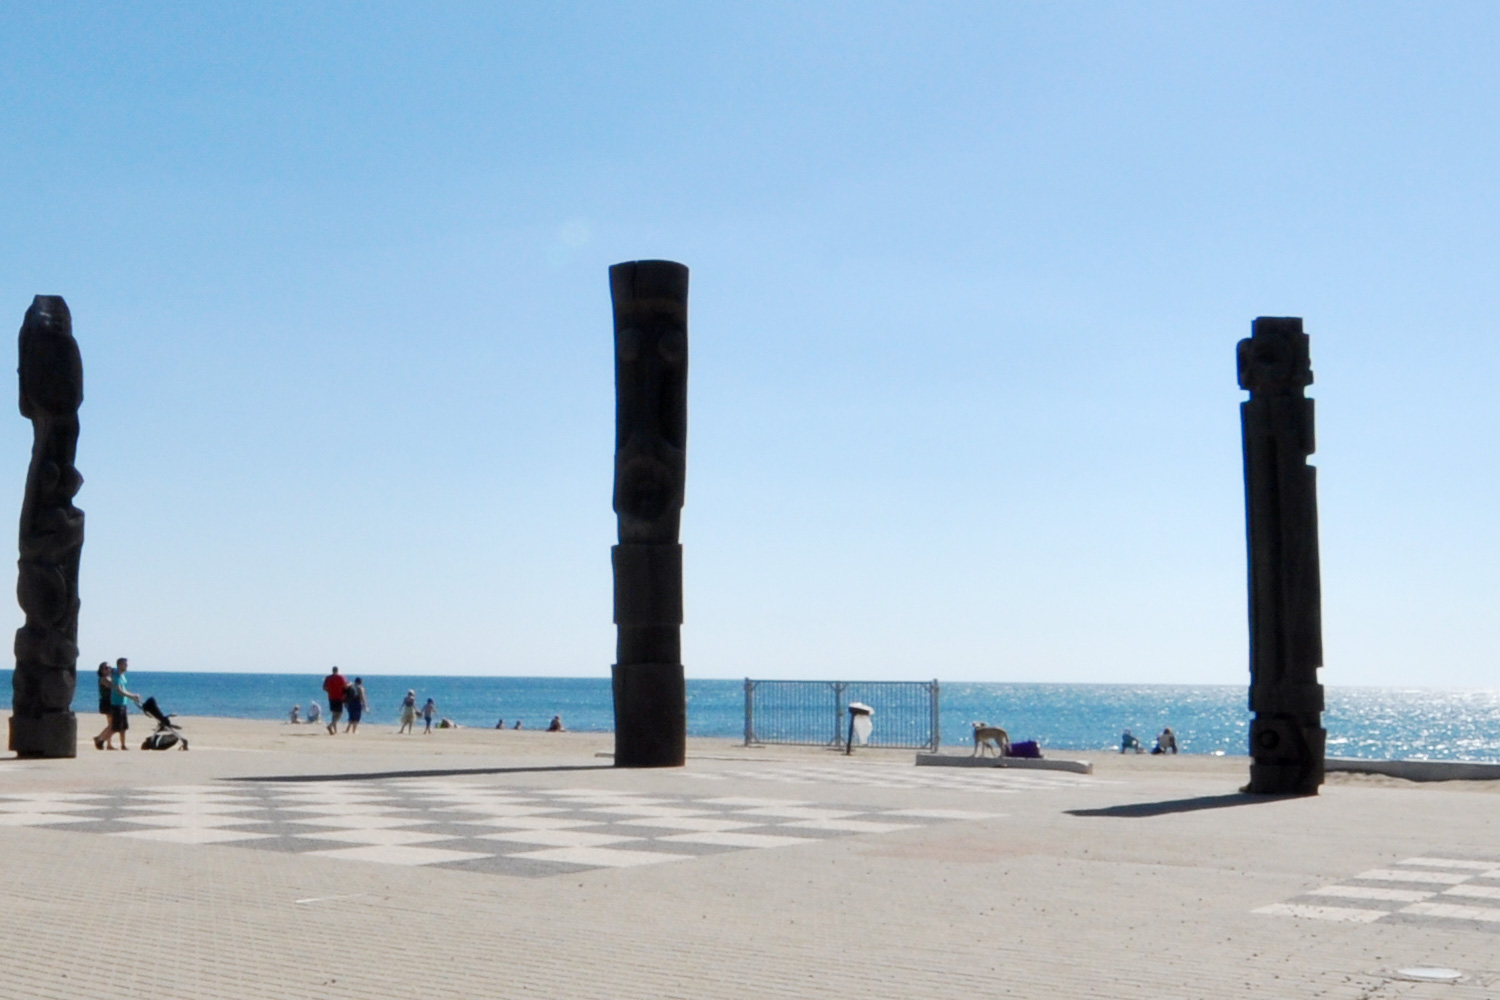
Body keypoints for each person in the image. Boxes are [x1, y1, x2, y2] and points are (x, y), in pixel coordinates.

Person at [101, 658, 141, 750]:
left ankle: (123, 745)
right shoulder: (115, 676)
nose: (126, 666)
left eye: (126, 664)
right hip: (116, 704)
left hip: (123, 703)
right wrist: (131, 696)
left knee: (123, 727)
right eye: (125, 664)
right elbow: (119, 691)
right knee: (115, 727)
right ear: (120, 665)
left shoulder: (122, 676)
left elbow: (124, 689)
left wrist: (131, 696)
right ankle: (100, 739)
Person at [92, 662, 114, 750]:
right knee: (112, 724)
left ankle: (108, 743)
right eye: (106, 668)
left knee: (110, 724)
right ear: (101, 670)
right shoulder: (103, 679)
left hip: (109, 702)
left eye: (109, 667)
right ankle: (99, 737)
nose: (108, 669)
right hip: (106, 703)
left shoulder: (109, 678)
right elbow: (114, 686)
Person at [322, 666, 346, 735]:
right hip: (339, 697)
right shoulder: (340, 677)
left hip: (331, 697)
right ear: (337, 671)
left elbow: (324, 688)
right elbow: (345, 686)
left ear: (332, 670)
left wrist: (329, 691)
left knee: (334, 714)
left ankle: (335, 730)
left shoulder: (328, 678)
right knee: (339, 714)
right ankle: (330, 726)